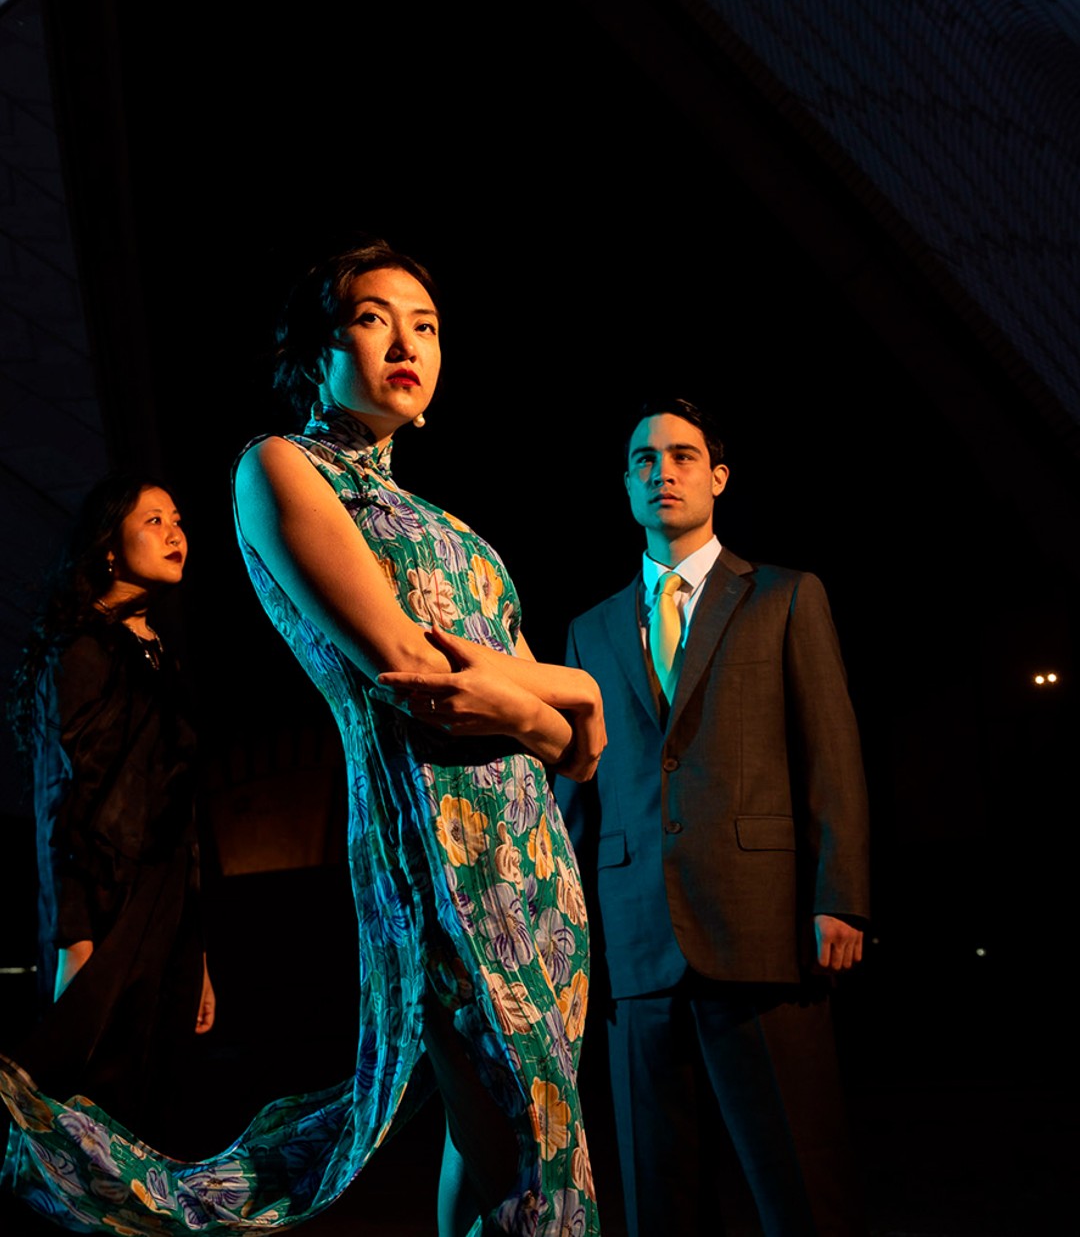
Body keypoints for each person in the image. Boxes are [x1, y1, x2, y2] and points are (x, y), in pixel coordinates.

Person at [230, 238, 603, 1237]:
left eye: (426, 325)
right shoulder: (282, 468)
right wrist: (560, 694)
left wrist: (558, 711)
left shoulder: (456, 533)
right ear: (318, 349)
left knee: (494, 1161)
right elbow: (414, 673)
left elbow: (581, 753)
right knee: (537, 1146)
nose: (407, 340)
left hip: (540, 862)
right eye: (372, 315)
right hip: (437, 847)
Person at [555, 398, 871, 1237]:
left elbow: (830, 755)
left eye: (684, 456)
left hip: (760, 929)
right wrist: (565, 940)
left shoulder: (785, 597)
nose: (664, 472)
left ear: (718, 477)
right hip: (634, 946)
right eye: (644, 460)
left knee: (801, 1189)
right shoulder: (587, 631)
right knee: (659, 1202)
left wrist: (839, 894)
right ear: (626, 484)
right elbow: (577, 794)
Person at [3, 474, 213, 1168]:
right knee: (92, 1120)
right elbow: (66, 802)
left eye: (177, 518)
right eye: (153, 520)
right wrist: (74, 938)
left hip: (168, 915)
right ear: (110, 550)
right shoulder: (84, 651)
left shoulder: (164, 659)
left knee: (159, 1116)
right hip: (108, 914)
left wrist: (199, 953)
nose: (175, 531)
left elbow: (181, 817)